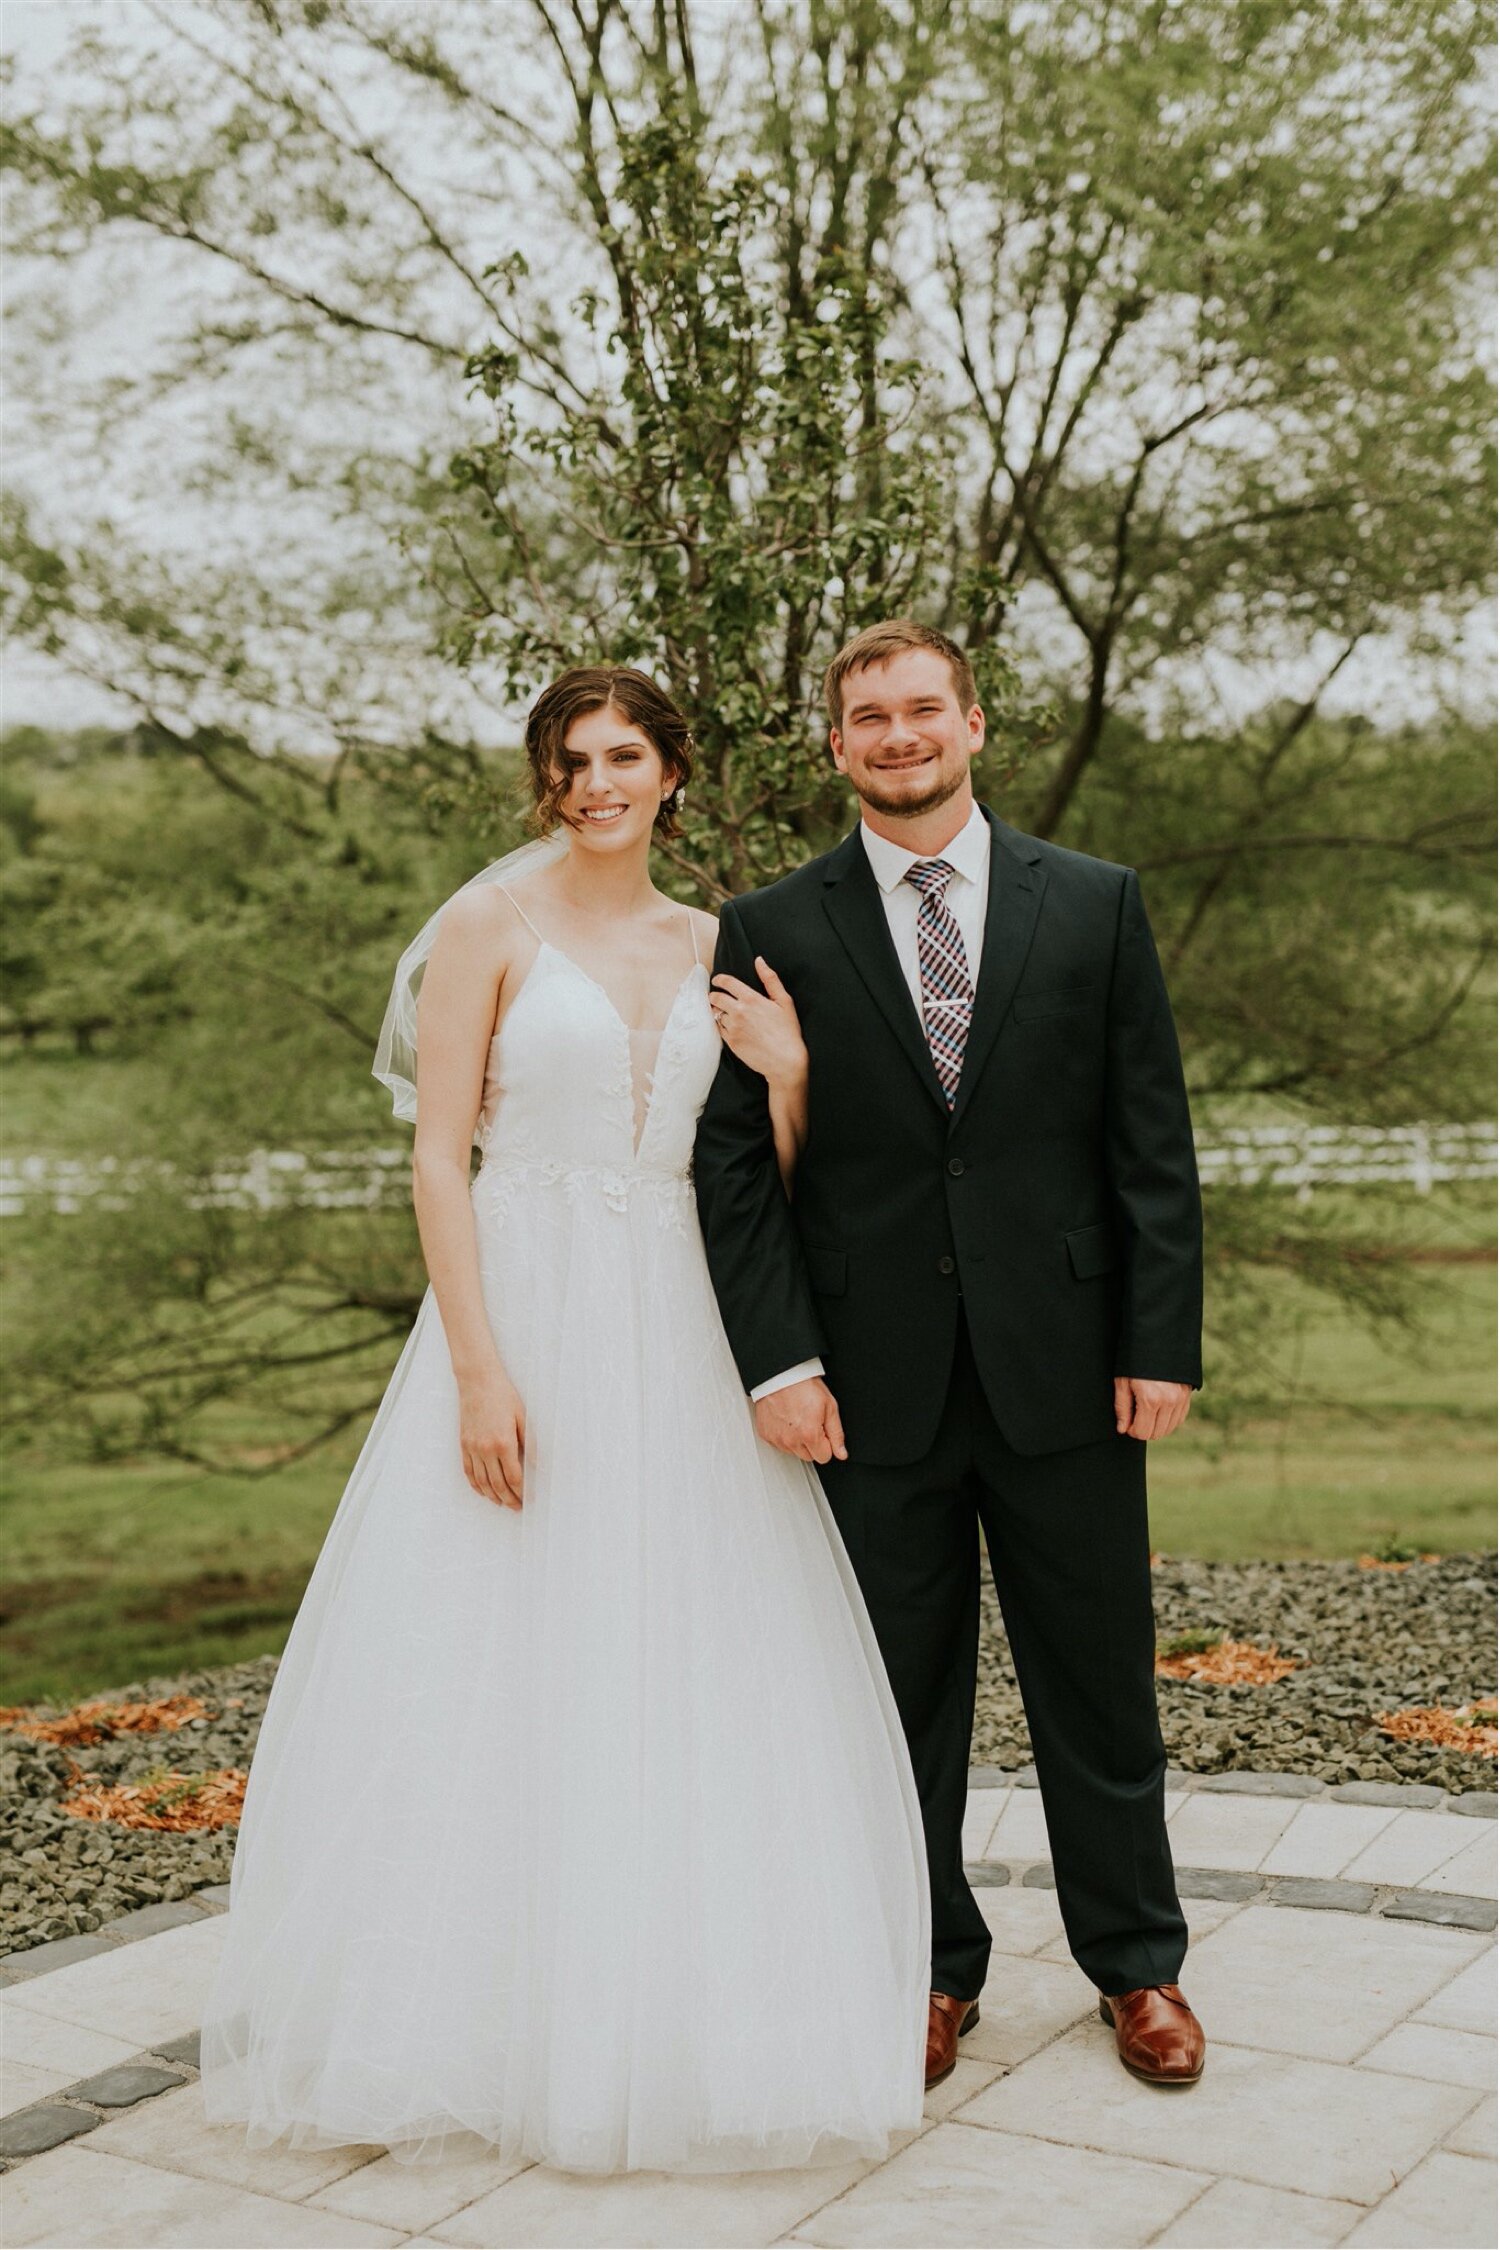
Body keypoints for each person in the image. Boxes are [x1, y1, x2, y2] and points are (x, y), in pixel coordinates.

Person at [198, 665, 929, 2173]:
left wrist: (790, 1079)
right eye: (567, 759)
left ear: (674, 771)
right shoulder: (491, 929)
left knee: (683, 1648)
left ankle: (664, 2009)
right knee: (495, 1646)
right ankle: (462, 2012)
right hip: (527, 1305)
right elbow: (436, 1161)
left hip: (680, 1323)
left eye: (620, 755)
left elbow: (753, 1178)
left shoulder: (725, 942)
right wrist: (478, 1365)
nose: (592, 782)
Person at [695, 619, 1207, 2093]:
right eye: (871, 716)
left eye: (925, 709)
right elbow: (737, 1165)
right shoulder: (768, 923)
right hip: (870, 1388)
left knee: (1098, 1686)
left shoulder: (1097, 904)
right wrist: (780, 1360)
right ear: (836, 745)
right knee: (891, 1695)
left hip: (1071, 1369)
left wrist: (1157, 1337)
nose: (899, 734)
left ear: (975, 725)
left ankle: (1141, 1964)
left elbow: (1150, 1148)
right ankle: (924, 1966)